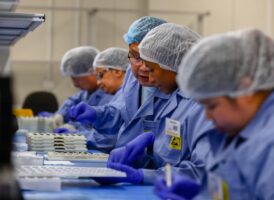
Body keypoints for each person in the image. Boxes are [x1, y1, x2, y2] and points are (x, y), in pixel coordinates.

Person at [155, 29, 274, 200]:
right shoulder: (245, 126)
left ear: (245, 91)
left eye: (212, 106)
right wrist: (203, 193)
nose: (207, 117)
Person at [96, 23, 212, 185]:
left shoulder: (205, 105)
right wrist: (141, 157)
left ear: (173, 65)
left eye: (151, 69)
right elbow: (164, 158)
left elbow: (203, 172)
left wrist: (141, 176)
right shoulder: (169, 97)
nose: (148, 78)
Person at [68, 16, 167, 147]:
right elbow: (122, 113)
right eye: (135, 56)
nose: (143, 66)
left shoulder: (173, 88)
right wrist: (97, 114)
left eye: (149, 58)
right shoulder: (132, 77)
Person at [55, 47, 129, 152]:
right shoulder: (120, 94)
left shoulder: (126, 95)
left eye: (101, 75)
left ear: (117, 71)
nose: (98, 82)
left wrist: (78, 135)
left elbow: (112, 136)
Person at [39, 46, 113, 128]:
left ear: (92, 72)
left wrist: (75, 128)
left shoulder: (109, 96)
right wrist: (60, 115)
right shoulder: (85, 93)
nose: (75, 84)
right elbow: (70, 104)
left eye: (76, 78)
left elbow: (97, 128)